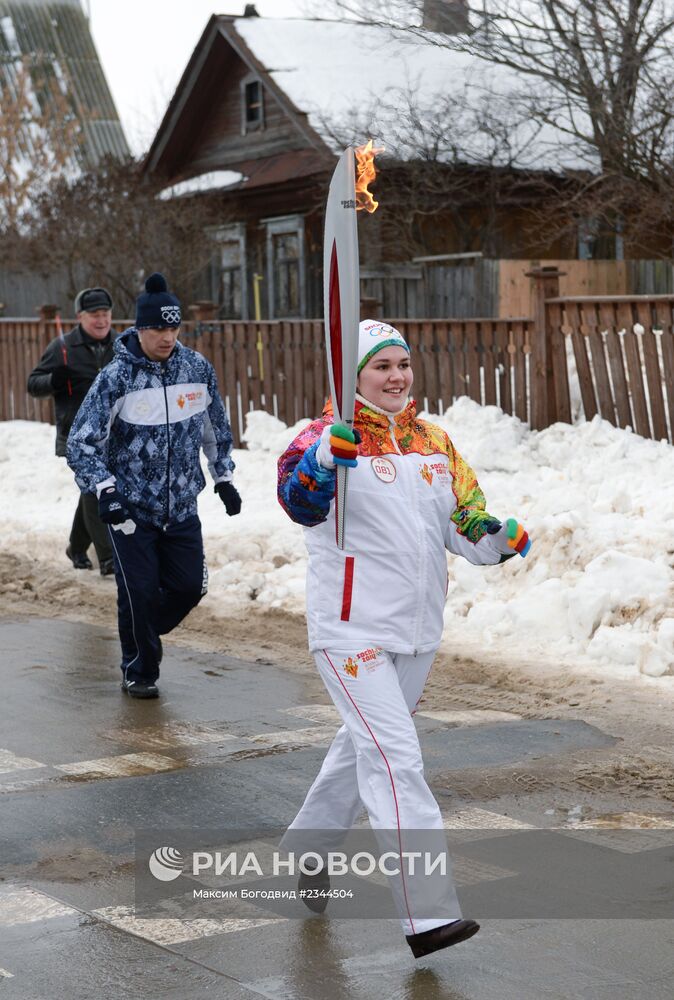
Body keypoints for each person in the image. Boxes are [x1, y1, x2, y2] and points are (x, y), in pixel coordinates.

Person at [277, 319, 531, 959]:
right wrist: (320, 463)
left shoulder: (433, 442)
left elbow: (467, 522)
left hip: (417, 632)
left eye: (402, 364)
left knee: (359, 750)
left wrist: (499, 538)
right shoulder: (322, 437)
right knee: (395, 758)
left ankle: (305, 850)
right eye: (380, 366)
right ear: (352, 374)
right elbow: (297, 502)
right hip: (349, 631)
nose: (396, 377)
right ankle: (428, 915)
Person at [67, 273, 241, 699]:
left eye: (173, 327)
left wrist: (223, 478)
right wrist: (105, 491)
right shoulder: (116, 378)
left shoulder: (196, 369)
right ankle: (140, 671)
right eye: (158, 328)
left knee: (188, 587)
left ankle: (145, 626)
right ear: (140, 329)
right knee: (139, 591)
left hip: (181, 506)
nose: (167, 337)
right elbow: (81, 443)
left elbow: (214, 428)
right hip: (131, 511)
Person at [27, 287, 117, 575]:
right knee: (94, 490)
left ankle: (76, 547)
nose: (101, 320)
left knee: (93, 489)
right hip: (77, 436)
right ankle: (107, 558)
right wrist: (55, 379)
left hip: (113, 435)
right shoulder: (63, 347)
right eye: (94, 315)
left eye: (105, 314)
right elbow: (33, 384)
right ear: (80, 316)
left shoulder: (122, 345)